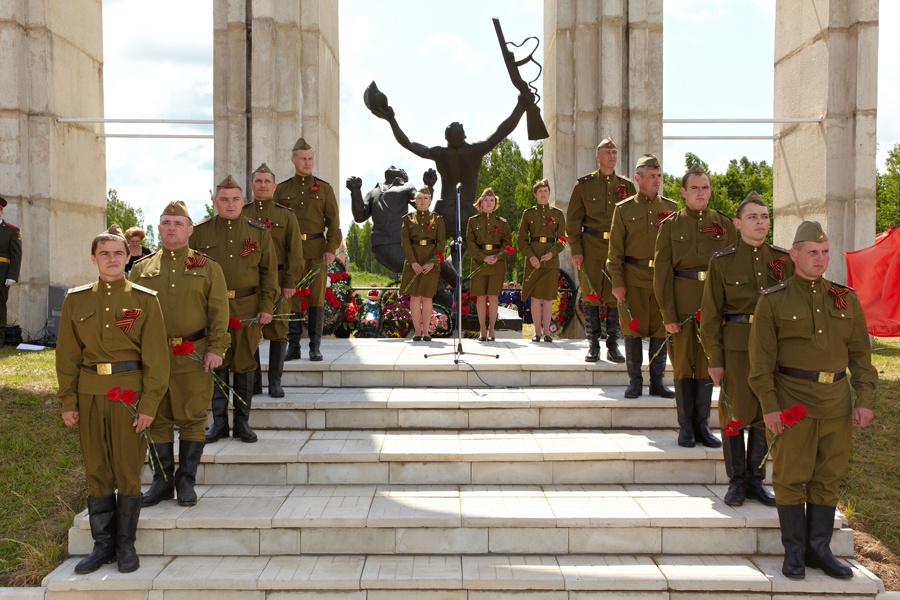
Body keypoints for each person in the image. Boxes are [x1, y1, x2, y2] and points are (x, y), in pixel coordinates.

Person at [749, 221, 877, 580]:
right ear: (794, 255)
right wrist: (769, 406)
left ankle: (819, 548)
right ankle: (793, 550)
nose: (820, 259)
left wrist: (864, 399)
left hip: (836, 400)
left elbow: (861, 359)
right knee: (791, 476)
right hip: (793, 400)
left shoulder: (845, 298)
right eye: (812, 252)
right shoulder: (773, 300)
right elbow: (760, 365)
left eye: (824, 252)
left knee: (829, 475)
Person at [56, 227, 169, 574]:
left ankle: (126, 545)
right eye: (104, 253)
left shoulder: (144, 300)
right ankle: (102, 545)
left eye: (118, 253)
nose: (112, 259)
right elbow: (68, 355)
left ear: (128, 257)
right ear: (93, 258)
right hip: (89, 394)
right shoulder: (76, 300)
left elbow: (157, 359)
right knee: (97, 469)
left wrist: (149, 405)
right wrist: (67, 401)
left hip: (128, 395)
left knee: (126, 469)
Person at [129, 200, 230, 508]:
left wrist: (216, 348)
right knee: (156, 418)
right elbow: (129, 315)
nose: (171, 229)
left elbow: (219, 312)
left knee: (192, 417)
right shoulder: (140, 269)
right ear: (158, 229)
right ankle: (161, 482)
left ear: (189, 230)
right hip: (153, 358)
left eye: (177, 224)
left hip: (193, 355)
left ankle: (185, 481)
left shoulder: (207, 267)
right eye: (166, 223)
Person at [701, 191, 792, 507]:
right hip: (737, 348)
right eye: (753, 217)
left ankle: (755, 480)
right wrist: (715, 358)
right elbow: (711, 314)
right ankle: (736, 481)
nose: (760, 222)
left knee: (763, 414)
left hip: (773, 351)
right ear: (738, 223)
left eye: (765, 217)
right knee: (734, 414)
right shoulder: (722, 262)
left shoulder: (783, 261)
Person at [190, 175, 278, 444]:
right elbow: (191, 273)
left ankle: (242, 422)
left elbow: (268, 273)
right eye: (224, 199)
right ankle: (218, 423)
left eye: (235, 199)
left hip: (246, 308)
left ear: (243, 201)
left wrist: (266, 307)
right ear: (215, 202)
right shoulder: (200, 232)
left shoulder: (258, 232)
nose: (230, 204)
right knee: (216, 364)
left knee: (243, 365)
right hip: (211, 311)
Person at [654, 164, 736, 449]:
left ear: (710, 190)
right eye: (694, 188)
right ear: (683, 192)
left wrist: (730, 310)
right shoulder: (671, 225)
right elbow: (662, 272)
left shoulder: (724, 225)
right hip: (683, 300)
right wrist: (668, 313)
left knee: (707, 363)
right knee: (683, 365)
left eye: (705, 187)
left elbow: (733, 270)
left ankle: (703, 425)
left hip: (714, 304)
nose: (700, 193)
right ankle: (685, 427)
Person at [607, 154, 676, 399]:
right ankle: (635, 381)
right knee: (632, 330)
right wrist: (617, 283)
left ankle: (657, 382)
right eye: (652, 176)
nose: (657, 180)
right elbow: (614, 251)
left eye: (659, 176)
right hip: (633, 279)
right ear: (638, 178)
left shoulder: (671, 209)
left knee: (660, 331)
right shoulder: (624, 209)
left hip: (661, 281)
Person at [272, 137, 342, 362]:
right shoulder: (282, 190)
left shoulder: (325, 188)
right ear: (293, 160)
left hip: (316, 251)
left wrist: (331, 249)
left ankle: (315, 346)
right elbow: (275, 223)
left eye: (310, 159)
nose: (307, 162)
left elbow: (334, 223)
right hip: (291, 252)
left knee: (317, 298)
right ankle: (293, 346)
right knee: (290, 296)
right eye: (303, 159)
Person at [567, 138, 635, 363]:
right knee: (591, 295)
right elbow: (573, 221)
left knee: (615, 295)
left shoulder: (627, 186)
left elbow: (634, 220)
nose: (612, 156)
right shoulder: (584, 185)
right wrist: (576, 249)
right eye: (607, 152)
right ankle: (593, 344)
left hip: (617, 249)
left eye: (615, 152)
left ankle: (613, 344)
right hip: (591, 246)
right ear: (598, 156)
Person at [244, 163, 304, 397]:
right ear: (251, 185)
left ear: (274, 186)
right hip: (251, 281)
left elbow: (295, 252)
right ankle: (256, 382)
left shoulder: (286, 215)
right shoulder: (244, 214)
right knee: (251, 332)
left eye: (267, 181)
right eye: (258, 181)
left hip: (278, 281)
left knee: (279, 330)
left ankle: (275, 382)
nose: (262, 185)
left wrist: (290, 282)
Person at [347, 166, 435, 274]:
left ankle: (458, 288)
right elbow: (360, 216)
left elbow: (422, 206)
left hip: (400, 243)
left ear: (404, 177)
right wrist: (355, 191)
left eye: (401, 168)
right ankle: (445, 288)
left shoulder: (406, 187)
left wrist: (428, 187)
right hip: (382, 243)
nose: (393, 166)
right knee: (423, 271)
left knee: (433, 267)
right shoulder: (374, 192)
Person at [518, 179, 566, 342]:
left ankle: (547, 333)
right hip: (534, 259)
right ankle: (536, 333)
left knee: (547, 297)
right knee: (535, 297)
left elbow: (562, 240)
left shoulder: (557, 214)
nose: (543, 194)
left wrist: (552, 253)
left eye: (546, 191)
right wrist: (531, 256)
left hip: (550, 260)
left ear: (549, 193)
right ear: (535, 195)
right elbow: (522, 240)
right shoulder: (528, 214)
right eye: (540, 191)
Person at [466, 188, 512, 341]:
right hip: (479, 262)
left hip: (496, 264)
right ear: (480, 203)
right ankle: (482, 330)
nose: (489, 203)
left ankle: (492, 329)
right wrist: (483, 257)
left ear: (495, 203)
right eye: (486, 200)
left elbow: (508, 245)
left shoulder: (502, 223)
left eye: (492, 200)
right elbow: (470, 244)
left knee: (493, 297)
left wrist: (497, 257)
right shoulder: (473, 221)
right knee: (480, 297)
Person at [400, 187, 446, 341]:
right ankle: (417, 331)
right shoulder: (408, 219)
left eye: (425, 198)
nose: (422, 201)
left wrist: (433, 263)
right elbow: (405, 242)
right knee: (414, 297)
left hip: (430, 262)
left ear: (430, 200)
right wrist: (413, 262)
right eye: (419, 198)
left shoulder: (437, 219)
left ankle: (426, 332)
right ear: (415, 201)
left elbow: (441, 243)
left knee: (427, 298)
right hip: (414, 261)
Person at [0, 196, 22, 347]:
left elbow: (16, 255)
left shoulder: (11, 231)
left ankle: (0, 338)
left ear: (1, 211)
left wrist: (12, 276)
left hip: (1, 274)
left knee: (0, 306)